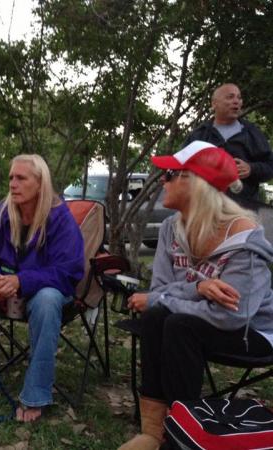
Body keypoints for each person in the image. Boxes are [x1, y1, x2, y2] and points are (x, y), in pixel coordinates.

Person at [118, 140, 273, 450]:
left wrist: (166, 300)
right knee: (158, 316)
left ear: (195, 182)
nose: (163, 179)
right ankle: (153, 431)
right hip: (201, 319)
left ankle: (181, 434)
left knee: (177, 323)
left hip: (253, 330)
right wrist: (197, 288)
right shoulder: (171, 229)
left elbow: (232, 316)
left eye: (171, 173)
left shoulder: (245, 239)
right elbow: (160, 292)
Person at [0, 154, 85, 423]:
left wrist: (21, 282)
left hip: (42, 293)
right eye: (11, 178)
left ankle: (36, 394)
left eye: (21, 178)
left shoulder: (60, 220)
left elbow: (69, 271)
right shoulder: (0, 215)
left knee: (48, 299)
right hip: (4, 293)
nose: (13, 184)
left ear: (40, 184)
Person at [183, 83, 273, 207]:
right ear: (214, 103)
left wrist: (251, 169)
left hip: (244, 211)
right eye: (230, 97)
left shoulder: (252, 133)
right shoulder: (200, 135)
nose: (236, 101)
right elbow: (181, 167)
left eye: (239, 98)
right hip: (205, 210)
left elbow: (270, 166)